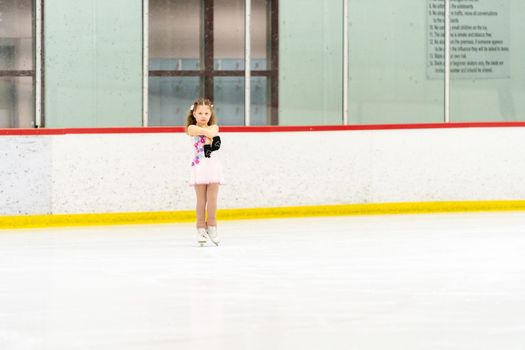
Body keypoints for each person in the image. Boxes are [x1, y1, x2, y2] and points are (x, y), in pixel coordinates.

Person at [185, 98, 224, 246]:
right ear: (194, 114)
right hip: (199, 167)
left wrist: (208, 132)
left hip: (213, 166)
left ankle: (212, 226)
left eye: (206, 113)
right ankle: (201, 227)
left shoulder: (214, 127)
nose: (203, 116)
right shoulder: (191, 128)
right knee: (201, 200)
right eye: (200, 113)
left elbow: (214, 132)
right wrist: (206, 132)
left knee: (213, 199)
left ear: (210, 114)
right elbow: (195, 130)